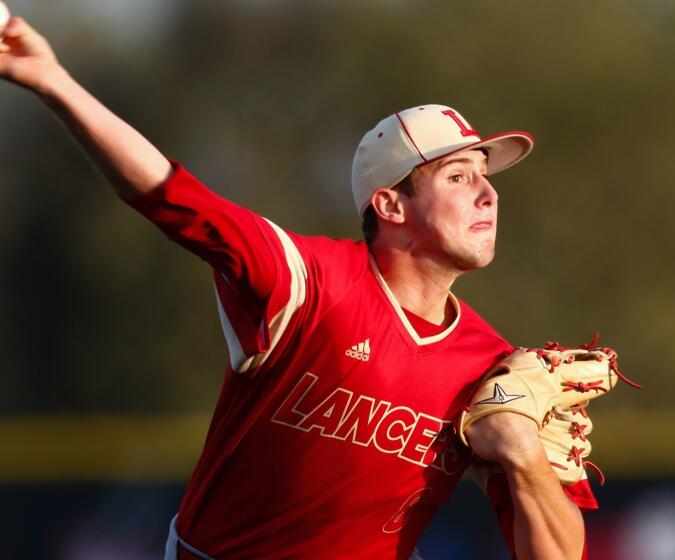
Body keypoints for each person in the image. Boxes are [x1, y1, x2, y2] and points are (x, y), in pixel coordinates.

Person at [0, 15, 598, 560]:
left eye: (486, 178)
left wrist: (523, 458)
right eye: (458, 176)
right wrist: (53, 81)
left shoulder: (490, 368)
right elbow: (174, 198)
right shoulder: (307, 282)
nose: (487, 194)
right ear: (390, 204)